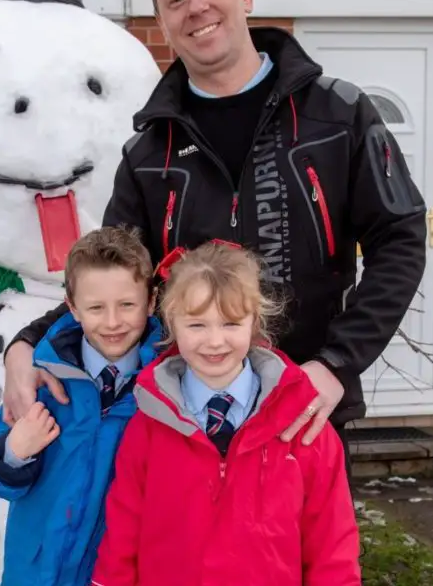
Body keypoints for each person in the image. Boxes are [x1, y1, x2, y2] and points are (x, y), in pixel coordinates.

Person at [2, 0, 427, 465]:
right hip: (189, 430)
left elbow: (401, 238)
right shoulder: (149, 153)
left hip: (305, 419)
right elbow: (109, 275)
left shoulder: (337, 116)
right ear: (162, 21)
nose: (196, 7)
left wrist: (337, 364)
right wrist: (27, 343)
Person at [91, 240, 361, 586]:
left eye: (230, 324)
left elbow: (332, 548)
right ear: (172, 322)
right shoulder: (148, 425)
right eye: (197, 325)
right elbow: (122, 537)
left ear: (254, 321)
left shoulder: (304, 427)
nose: (215, 341)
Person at [0, 226, 162, 586]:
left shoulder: (164, 393)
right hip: (34, 575)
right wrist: (13, 453)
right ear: (71, 307)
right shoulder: (44, 377)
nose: (113, 322)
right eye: (96, 307)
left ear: (150, 302)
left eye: (127, 305)